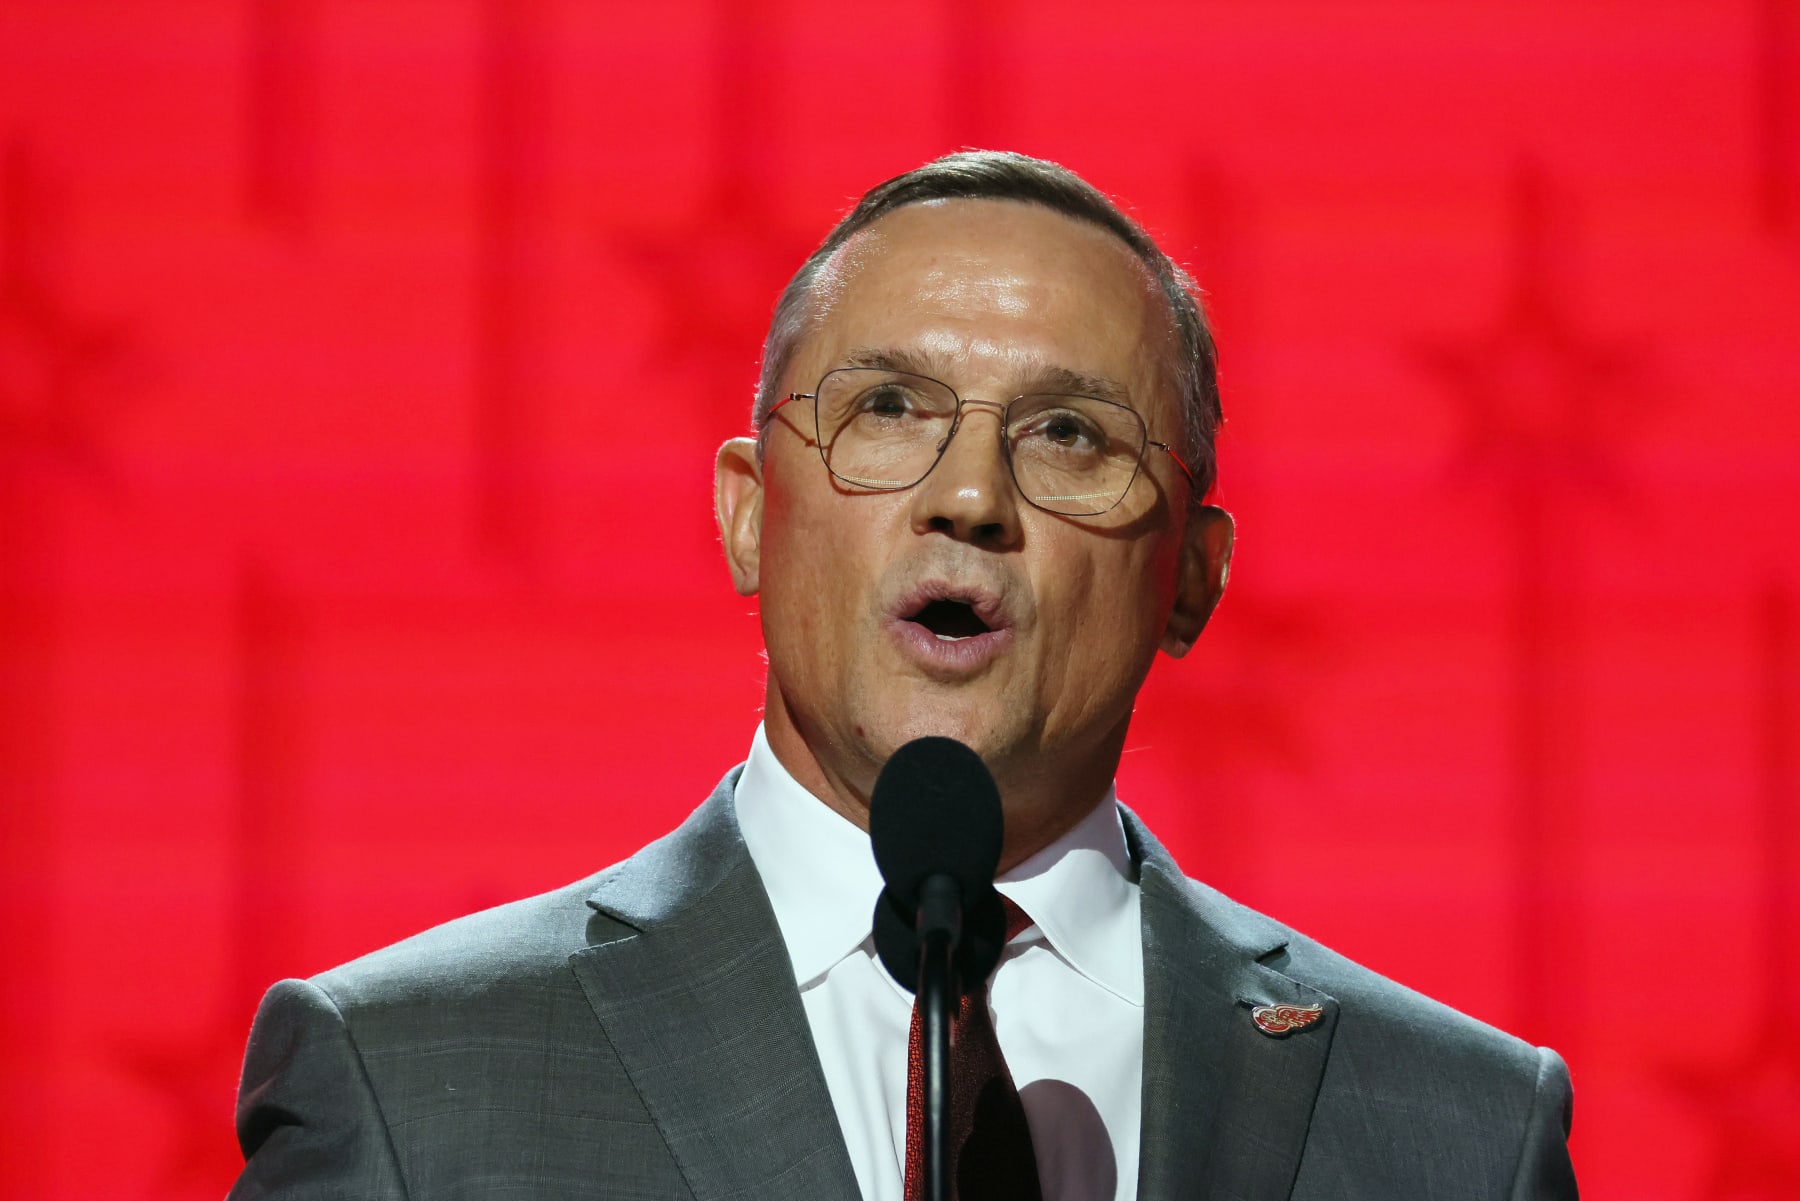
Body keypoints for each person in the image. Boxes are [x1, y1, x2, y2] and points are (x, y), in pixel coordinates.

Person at [229, 151, 1578, 1200]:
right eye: (887, 409)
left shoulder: (1457, 1130)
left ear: (1191, 578)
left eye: (1068, 433)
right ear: (751, 512)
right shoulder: (412, 1082)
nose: (972, 497)